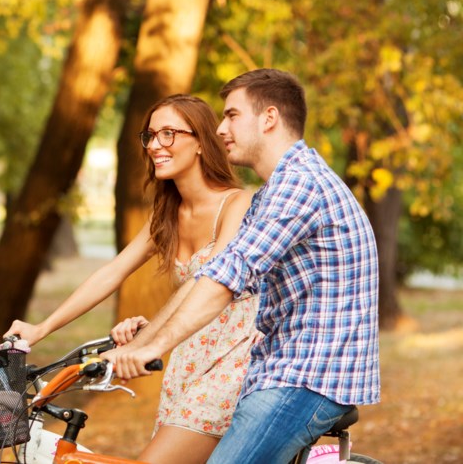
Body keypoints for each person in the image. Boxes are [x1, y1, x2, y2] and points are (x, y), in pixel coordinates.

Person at [106, 69, 380, 464]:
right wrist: (151, 333)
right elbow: (224, 283)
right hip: (277, 370)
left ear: (268, 118)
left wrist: (153, 348)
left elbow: (226, 279)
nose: (220, 129)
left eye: (232, 115)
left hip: (306, 379)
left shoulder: (300, 184)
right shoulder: (275, 190)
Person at [5, 94, 256, 464]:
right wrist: (42, 328)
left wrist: (146, 340)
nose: (155, 145)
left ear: (201, 142)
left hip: (233, 364)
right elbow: (113, 271)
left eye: (168, 134)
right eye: (151, 135)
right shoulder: (167, 213)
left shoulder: (237, 204)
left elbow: (208, 281)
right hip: (187, 361)